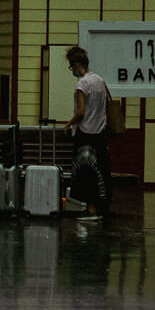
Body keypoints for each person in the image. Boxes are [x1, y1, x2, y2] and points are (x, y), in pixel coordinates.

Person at [62, 46, 112, 221]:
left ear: (77, 64)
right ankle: (101, 208)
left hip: (85, 133)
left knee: (85, 172)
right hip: (100, 133)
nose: (72, 71)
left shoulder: (82, 84)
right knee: (100, 171)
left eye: (72, 67)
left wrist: (68, 124)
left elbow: (81, 111)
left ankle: (90, 209)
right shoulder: (99, 80)